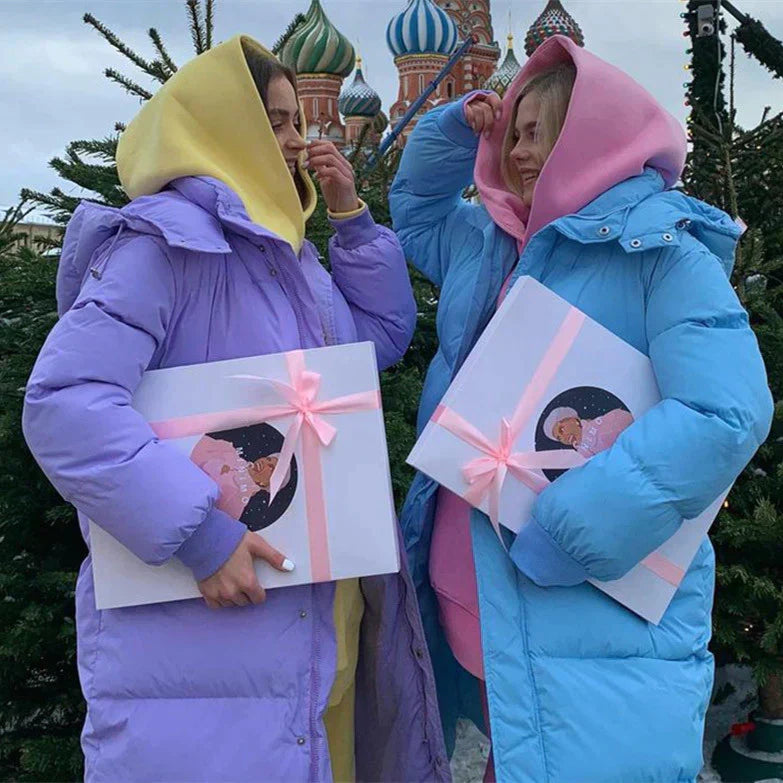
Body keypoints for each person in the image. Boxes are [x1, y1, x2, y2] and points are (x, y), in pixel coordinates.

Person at [23, 35, 447, 783]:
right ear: (225, 126)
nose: (297, 140)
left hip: (321, 611)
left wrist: (350, 219)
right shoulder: (160, 247)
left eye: (295, 121)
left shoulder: (289, 258)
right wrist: (200, 533)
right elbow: (65, 405)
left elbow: (376, 342)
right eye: (275, 122)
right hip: (212, 622)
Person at [391, 35, 773, 783]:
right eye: (511, 136)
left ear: (586, 132)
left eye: (536, 132)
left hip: (578, 604)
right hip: (474, 600)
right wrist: (455, 127)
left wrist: (570, 533)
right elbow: (414, 212)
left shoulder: (661, 252)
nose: (517, 153)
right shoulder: (492, 242)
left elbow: (726, 410)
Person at [543, 405, 635, 456]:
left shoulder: (606, 421)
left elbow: (627, 420)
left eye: (561, 430)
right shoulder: (579, 458)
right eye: (559, 438)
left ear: (573, 419)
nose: (563, 438)